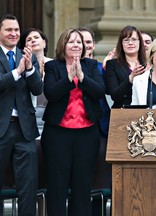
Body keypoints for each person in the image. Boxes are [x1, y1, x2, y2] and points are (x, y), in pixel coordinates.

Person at [41, 28, 106, 216]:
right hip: (58, 134)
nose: (76, 45)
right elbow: (51, 93)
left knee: (82, 185)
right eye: (71, 42)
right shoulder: (54, 66)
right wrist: (69, 78)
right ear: (63, 45)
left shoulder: (92, 66)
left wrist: (83, 78)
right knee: (57, 185)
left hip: (86, 133)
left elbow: (99, 92)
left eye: (79, 42)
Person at [0, 14, 43, 215]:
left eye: (16, 30)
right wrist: (16, 72)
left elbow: (36, 89)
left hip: (25, 130)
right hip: (1, 128)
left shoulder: (27, 55)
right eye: (9, 30)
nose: (14, 33)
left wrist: (29, 69)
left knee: (28, 187)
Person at [77, 26, 113, 216]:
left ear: (93, 45)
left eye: (88, 42)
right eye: (81, 41)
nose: (85, 45)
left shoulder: (102, 67)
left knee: (100, 177)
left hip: (101, 127)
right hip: (78, 125)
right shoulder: (68, 66)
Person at [18, 28, 53, 135]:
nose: (33, 40)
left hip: (50, 117)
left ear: (44, 43)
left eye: (36, 37)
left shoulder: (54, 64)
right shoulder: (19, 66)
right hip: (28, 119)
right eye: (29, 40)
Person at [104, 25, 147, 108]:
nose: (130, 43)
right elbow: (114, 95)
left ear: (140, 42)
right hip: (121, 112)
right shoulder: (112, 65)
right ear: (121, 44)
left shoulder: (148, 64)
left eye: (134, 40)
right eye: (126, 40)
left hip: (145, 112)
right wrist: (130, 79)